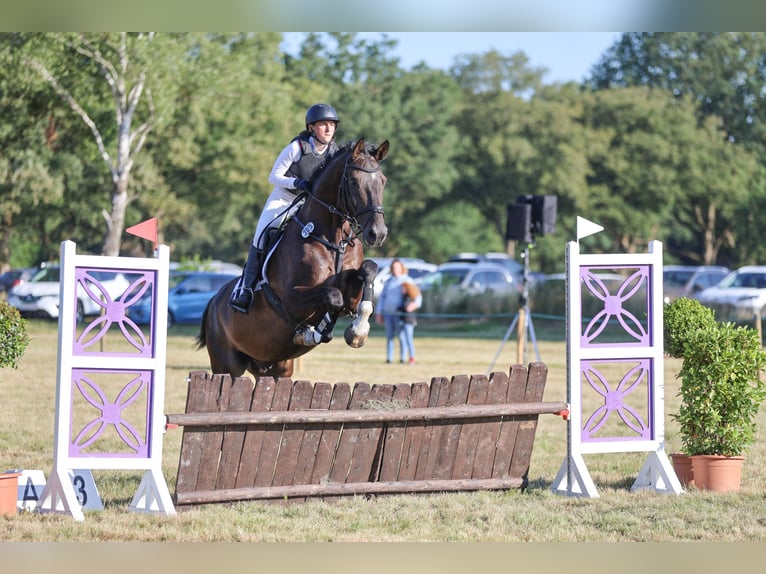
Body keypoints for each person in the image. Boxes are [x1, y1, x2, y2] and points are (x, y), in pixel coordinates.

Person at [230, 103, 341, 313]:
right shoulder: (298, 148)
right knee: (261, 235)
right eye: (323, 125)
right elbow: (273, 176)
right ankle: (247, 289)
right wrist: (296, 183)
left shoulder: (334, 152)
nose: (328, 129)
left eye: (331, 125)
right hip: (284, 199)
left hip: (309, 205)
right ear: (311, 128)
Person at [375, 259, 422, 364]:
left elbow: (417, 296)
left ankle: (402, 358)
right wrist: (379, 312)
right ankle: (389, 358)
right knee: (389, 336)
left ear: (402, 268)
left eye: (397, 267)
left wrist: (414, 305)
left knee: (402, 336)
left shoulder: (407, 280)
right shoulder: (389, 281)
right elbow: (382, 297)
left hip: (400, 314)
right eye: (394, 268)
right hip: (388, 313)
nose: (395, 270)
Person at [398, 280, 421, 364]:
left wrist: (400, 308)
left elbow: (407, 308)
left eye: (403, 288)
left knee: (409, 339)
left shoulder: (411, 297)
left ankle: (412, 358)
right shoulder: (403, 297)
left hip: (409, 321)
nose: (402, 289)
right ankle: (402, 358)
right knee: (401, 338)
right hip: (402, 319)